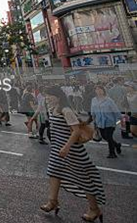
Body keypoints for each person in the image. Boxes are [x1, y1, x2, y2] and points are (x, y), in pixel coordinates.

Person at [40, 86, 105, 222]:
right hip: (58, 149)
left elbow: (75, 131)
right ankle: (52, 201)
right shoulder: (53, 110)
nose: (47, 98)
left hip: (72, 151)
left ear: (58, 97)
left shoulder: (65, 110)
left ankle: (94, 209)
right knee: (54, 173)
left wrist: (66, 147)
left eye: (49, 95)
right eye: (46, 96)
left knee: (84, 178)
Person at [90, 85, 122, 158]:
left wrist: (120, 118)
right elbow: (93, 111)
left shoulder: (109, 100)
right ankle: (117, 145)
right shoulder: (94, 100)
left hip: (109, 121)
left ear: (103, 90)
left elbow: (115, 110)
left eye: (100, 89)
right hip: (100, 122)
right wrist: (93, 120)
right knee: (105, 137)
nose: (99, 91)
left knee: (109, 136)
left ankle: (112, 153)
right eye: (97, 89)